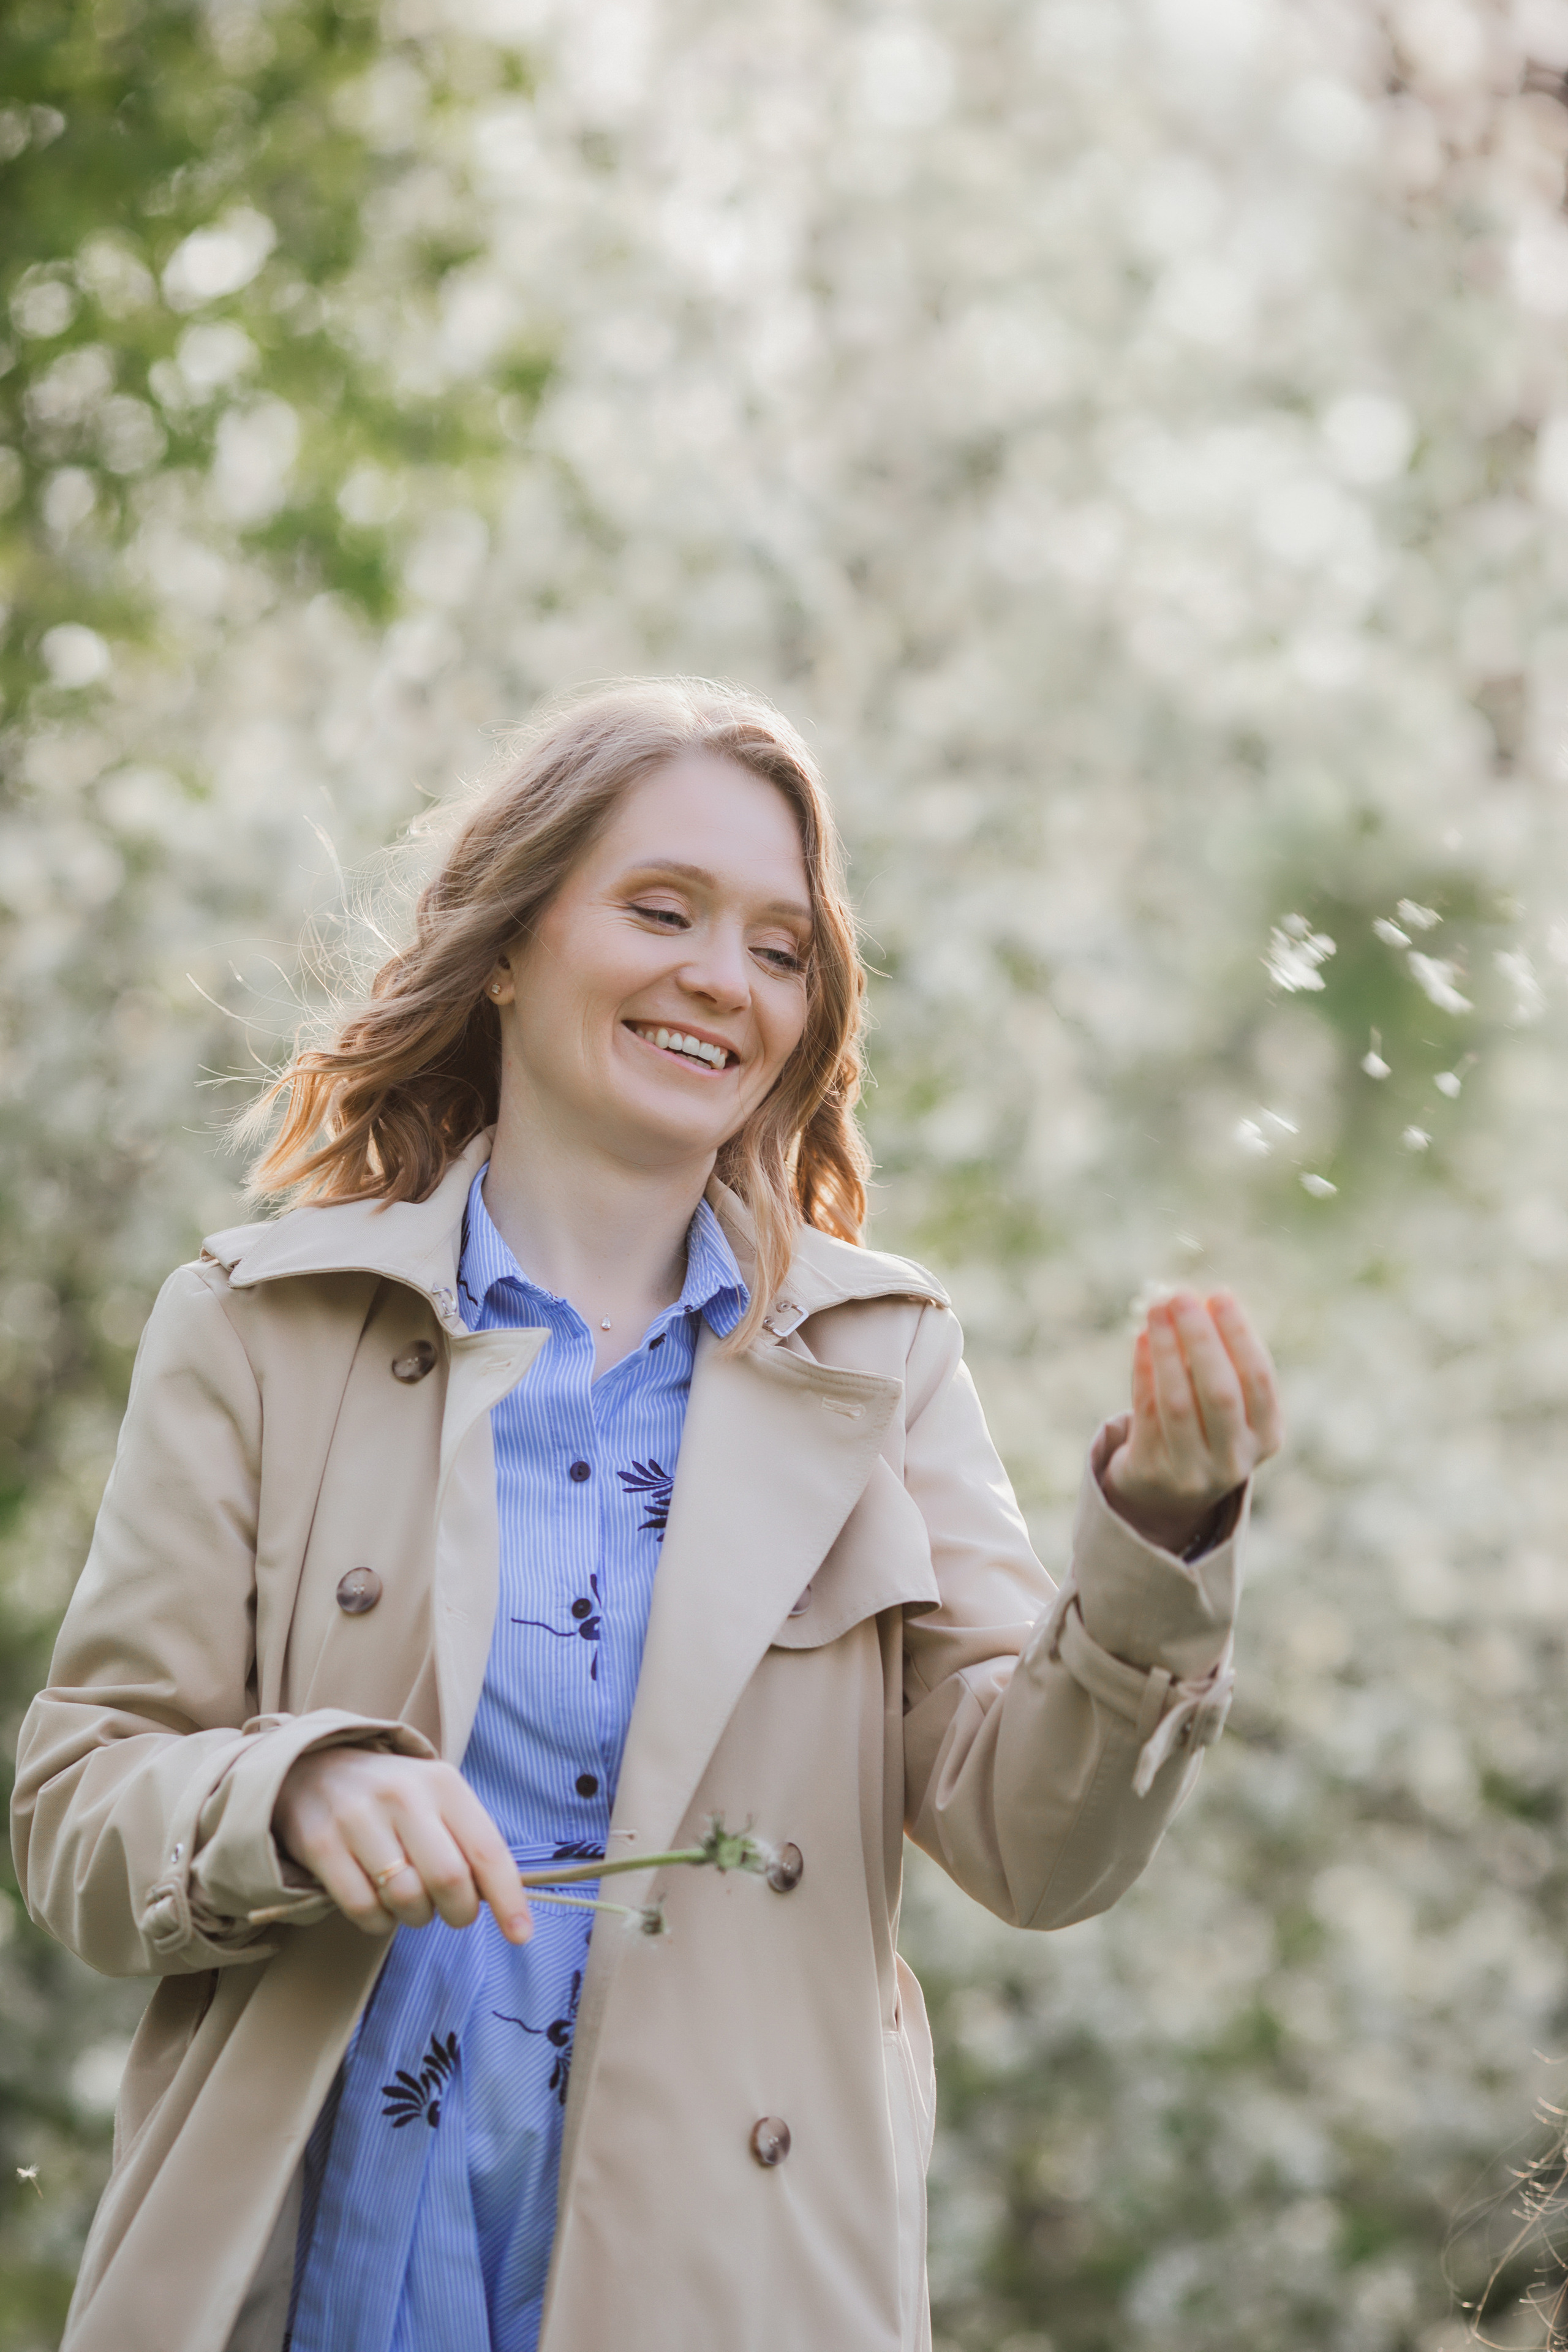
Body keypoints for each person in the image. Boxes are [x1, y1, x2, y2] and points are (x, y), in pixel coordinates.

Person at [12, 678, 1281, 2352]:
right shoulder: (259, 1325)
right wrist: (294, 1794)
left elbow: (1035, 1847)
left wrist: (1157, 1547)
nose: (722, 979)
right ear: (517, 941)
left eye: (779, 946)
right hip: (315, 2267)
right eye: (663, 910)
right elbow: (76, 1818)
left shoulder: (878, 1360)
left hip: (730, 2288)